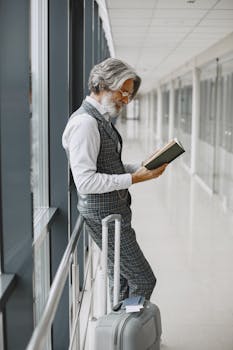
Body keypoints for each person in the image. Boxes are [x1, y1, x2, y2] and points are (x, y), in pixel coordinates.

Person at [62, 58, 167, 304]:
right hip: (104, 217)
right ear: (100, 85)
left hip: (113, 213)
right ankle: (131, 334)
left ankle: (120, 334)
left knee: (120, 277)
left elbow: (108, 166)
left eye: (129, 94)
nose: (126, 100)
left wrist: (142, 167)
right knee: (142, 279)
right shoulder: (85, 123)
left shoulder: (100, 119)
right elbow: (85, 182)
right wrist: (133, 178)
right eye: (123, 91)